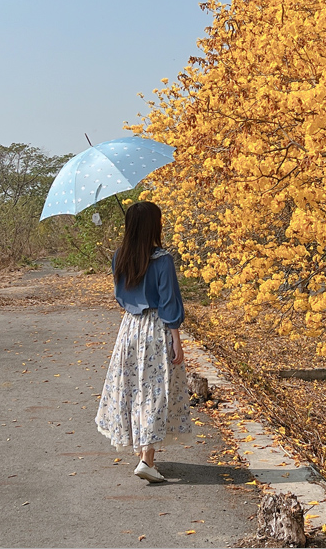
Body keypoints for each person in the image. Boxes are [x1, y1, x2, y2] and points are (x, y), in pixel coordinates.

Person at [95, 201, 191, 482]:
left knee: (134, 388)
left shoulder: (119, 256)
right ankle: (147, 458)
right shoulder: (163, 260)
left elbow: (119, 295)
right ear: (154, 226)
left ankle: (143, 453)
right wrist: (177, 340)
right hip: (156, 330)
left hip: (130, 328)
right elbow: (169, 303)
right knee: (155, 391)